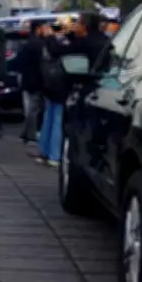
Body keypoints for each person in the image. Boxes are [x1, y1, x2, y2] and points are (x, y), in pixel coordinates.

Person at [38, 11, 110, 167]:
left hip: (84, 89)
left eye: (78, 23)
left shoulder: (86, 43)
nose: (75, 26)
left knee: (70, 124)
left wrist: (50, 37)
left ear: (84, 26)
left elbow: (58, 50)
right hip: (104, 88)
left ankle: (56, 155)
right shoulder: (104, 41)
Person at [8, 20, 46, 145]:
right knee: (33, 109)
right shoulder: (38, 44)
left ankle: (25, 134)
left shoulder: (28, 43)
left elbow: (20, 61)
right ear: (38, 29)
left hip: (26, 79)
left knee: (30, 108)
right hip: (36, 80)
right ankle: (31, 136)